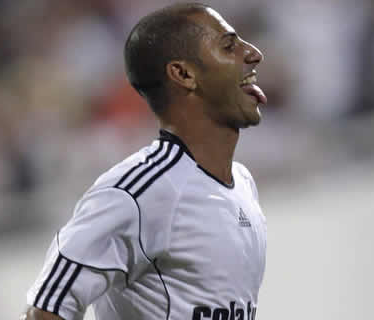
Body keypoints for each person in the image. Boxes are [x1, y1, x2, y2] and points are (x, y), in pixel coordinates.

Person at [22, 2, 267, 319]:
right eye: (228, 46)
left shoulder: (242, 183)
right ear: (183, 73)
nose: (253, 53)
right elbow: (46, 309)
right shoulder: (136, 193)